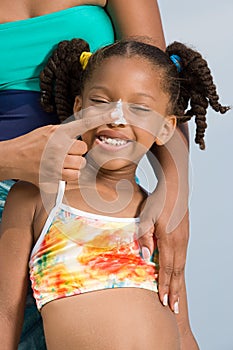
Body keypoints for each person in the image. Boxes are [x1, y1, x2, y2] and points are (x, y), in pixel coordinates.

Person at [0, 38, 229, 349]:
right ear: (78, 108)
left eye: (139, 108)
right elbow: (6, 315)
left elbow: (182, 329)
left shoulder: (157, 219)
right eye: (101, 102)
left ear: (165, 128)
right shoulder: (36, 198)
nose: (117, 118)